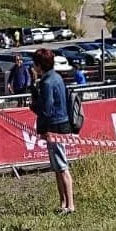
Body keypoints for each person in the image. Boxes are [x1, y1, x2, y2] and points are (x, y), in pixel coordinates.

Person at [31, 48, 75, 214]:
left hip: (54, 126)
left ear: (39, 65)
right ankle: (63, 202)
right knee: (57, 166)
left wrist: (34, 106)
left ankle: (70, 204)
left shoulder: (47, 82)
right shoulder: (56, 77)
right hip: (61, 122)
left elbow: (47, 109)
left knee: (62, 166)